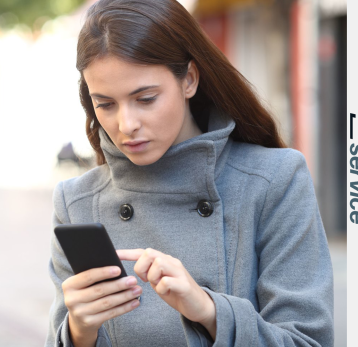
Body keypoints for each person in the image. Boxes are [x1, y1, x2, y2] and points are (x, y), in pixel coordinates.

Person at [46, 0, 334, 346]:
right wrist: (78, 332)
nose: (126, 125)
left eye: (146, 98)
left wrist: (209, 311)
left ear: (189, 80)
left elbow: (307, 340)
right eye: (105, 104)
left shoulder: (275, 180)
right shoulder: (76, 202)